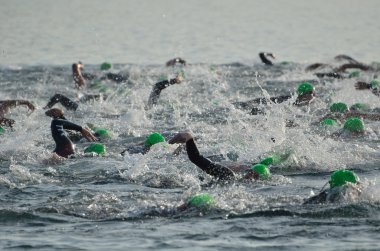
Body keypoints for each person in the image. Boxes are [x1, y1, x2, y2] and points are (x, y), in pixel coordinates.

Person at [168, 132, 272, 182]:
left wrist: (189, 140)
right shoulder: (228, 176)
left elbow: (196, 159)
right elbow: (196, 159)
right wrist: (188, 139)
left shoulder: (229, 176)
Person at [233, 82, 316, 115]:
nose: (315, 96)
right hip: (258, 103)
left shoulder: (298, 101)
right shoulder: (290, 101)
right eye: (313, 93)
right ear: (307, 94)